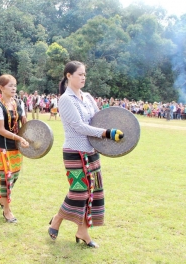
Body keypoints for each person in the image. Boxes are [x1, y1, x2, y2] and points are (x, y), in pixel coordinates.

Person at [48, 61, 123, 248]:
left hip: (92, 152)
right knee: (79, 191)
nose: (83, 77)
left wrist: (113, 129)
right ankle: (57, 219)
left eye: (84, 74)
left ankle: (83, 231)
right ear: (68, 76)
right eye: (79, 74)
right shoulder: (65, 100)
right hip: (74, 153)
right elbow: (79, 127)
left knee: (93, 192)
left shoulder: (88, 97)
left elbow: (98, 119)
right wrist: (106, 133)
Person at [0, 74, 29, 223]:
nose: (14, 88)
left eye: (15, 85)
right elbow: (1, 130)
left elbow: (25, 124)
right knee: (6, 178)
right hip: (3, 147)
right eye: (10, 85)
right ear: (1, 88)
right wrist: (19, 138)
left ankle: (1, 197)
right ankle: (7, 211)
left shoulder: (19, 103)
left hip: (16, 147)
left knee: (14, 177)